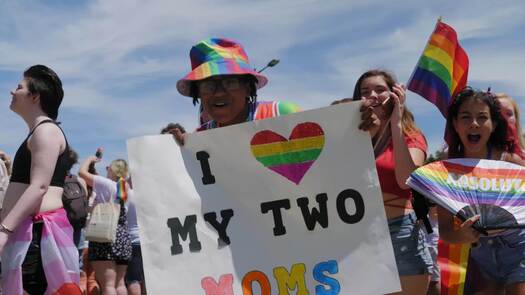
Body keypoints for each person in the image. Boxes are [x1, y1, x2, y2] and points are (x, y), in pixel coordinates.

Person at [346, 69, 433, 294]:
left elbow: (406, 180)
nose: (372, 95)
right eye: (365, 92)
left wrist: (396, 122)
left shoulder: (411, 135)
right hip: (359, 234)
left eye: (380, 90)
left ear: (394, 94)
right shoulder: (351, 135)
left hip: (401, 231)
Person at [0, 65, 81, 294]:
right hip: (31, 233)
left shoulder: (45, 131)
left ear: (34, 96)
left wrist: (4, 231)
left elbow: (39, 187)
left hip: (38, 234)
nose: (12, 92)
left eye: (19, 87)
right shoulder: (39, 132)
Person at [438, 88, 525, 294]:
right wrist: (466, 235)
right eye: (466, 117)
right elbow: (445, 230)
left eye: (482, 117)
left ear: (493, 125)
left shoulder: (511, 163)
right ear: (455, 124)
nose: (474, 123)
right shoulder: (444, 172)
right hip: (480, 259)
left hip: (520, 248)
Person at [171, 37, 300, 143]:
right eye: (208, 86)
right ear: (198, 94)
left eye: (230, 82)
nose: (219, 92)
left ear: (248, 89)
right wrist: (186, 150)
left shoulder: (283, 114)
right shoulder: (201, 138)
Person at [79, 157, 132, 295]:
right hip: (123, 237)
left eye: (108, 167)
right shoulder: (125, 187)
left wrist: (90, 158)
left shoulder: (107, 184)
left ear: (113, 170)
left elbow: (82, 172)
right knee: (120, 284)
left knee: (108, 285)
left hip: (105, 235)